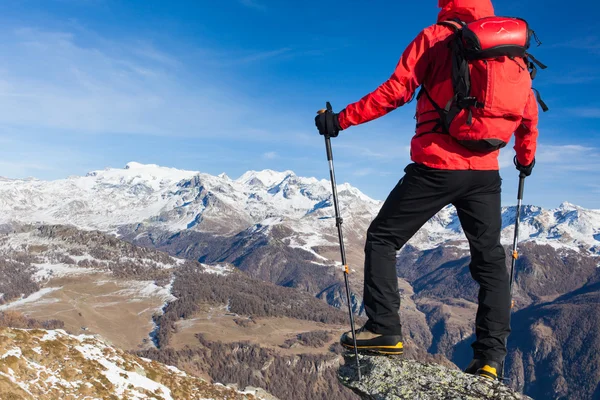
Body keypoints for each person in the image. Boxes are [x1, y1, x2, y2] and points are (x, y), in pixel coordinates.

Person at [314, 0, 538, 381]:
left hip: (436, 166)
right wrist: (525, 157)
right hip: (486, 174)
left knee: (383, 238)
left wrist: (339, 120)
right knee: (490, 263)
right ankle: (489, 360)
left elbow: (396, 91)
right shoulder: (506, 52)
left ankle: (384, 328)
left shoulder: (436, 38)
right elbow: (527, 111)